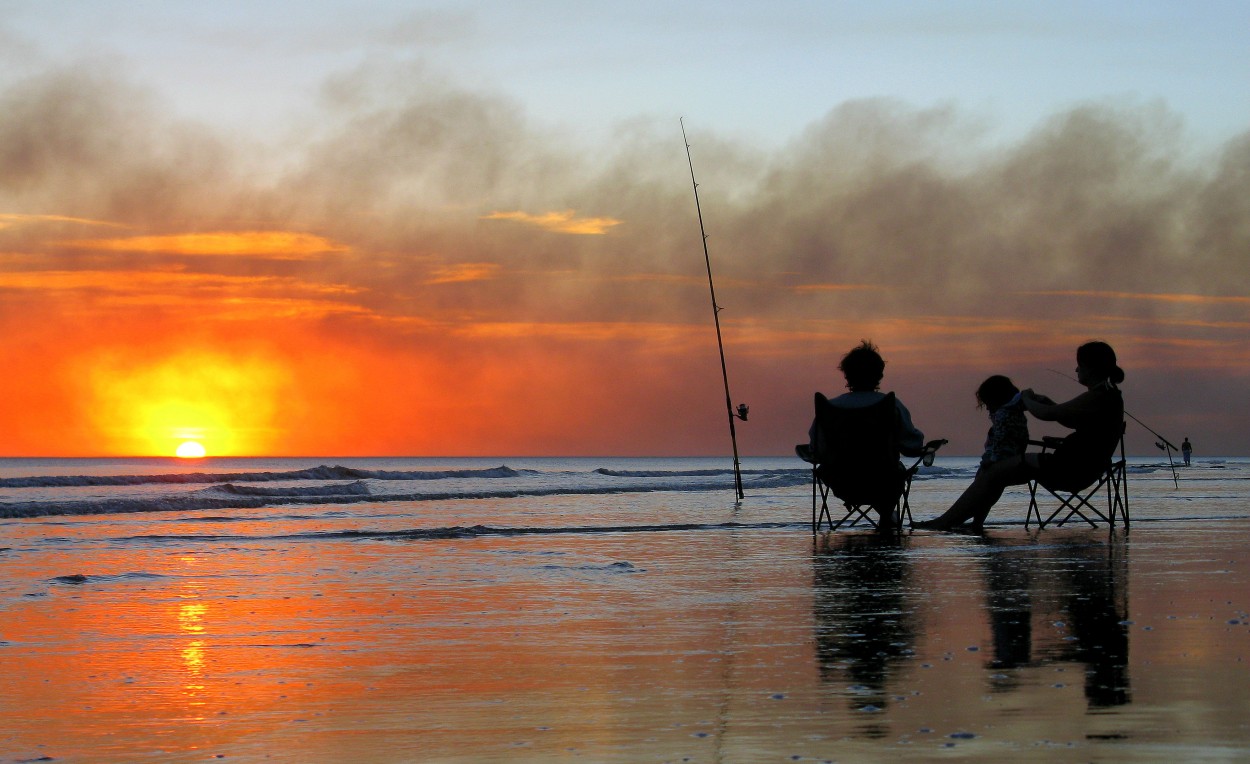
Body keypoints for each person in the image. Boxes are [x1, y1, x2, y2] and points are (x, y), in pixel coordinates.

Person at [915, 341, 1125, 532]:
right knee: (997, 475)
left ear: (1091, 367)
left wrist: (1027, 400)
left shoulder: (1100, 396)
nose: (1076, 369)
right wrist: (1046, 402)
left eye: (1080, 365)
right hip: (1076, 466)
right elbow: (1069, 419)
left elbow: (1049, 415)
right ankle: (962, 522)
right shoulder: (1107, 396)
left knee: (992, 472)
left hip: (1068, 468)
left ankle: (945, 522)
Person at [801, 340, 927, 529]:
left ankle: (886, 515)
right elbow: (912, 446)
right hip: (884, 481)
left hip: (842, 482)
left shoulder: (830, 408)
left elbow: (817, 450)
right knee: (893, 473)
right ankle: (887, 515)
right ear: (880, 374)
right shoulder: (890, 405)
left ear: (846, 375)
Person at [975, 375, 1029, 473]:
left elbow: (1000, 438)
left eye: (988, 403)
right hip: (1015, 455)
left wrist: (993, 460)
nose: (987, 408)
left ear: (997, 399)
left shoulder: (1002, 415)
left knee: (981, 476)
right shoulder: (1017, 414)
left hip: (1001, 458)